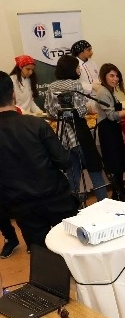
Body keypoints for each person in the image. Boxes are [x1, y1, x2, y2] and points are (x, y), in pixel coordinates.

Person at [0, 71, 80, 250]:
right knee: (74, 247)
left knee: (42, 257)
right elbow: (64, 161)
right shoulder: (36, 124)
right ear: (13, 94)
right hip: (55, 196)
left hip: (21, 205)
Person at [45, 55, 109, 200]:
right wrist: (86, 108)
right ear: (72, 69)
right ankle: (104, 203)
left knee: (72, 174)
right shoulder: (75, 85)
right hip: (79, 132)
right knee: (94, 169)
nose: (79, 69)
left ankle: (74, 207)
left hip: (63, 135)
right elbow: (80, 110)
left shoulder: (51, 87)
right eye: (77, 66)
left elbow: (49, 111)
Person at [94, 63, 125, 200]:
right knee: (114, 162)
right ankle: (117, 193)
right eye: (111, 75)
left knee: (119, 161)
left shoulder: (110, 90)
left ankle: (121, 189)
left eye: (117, 76)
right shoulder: (102, 92)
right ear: (104, 76)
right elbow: (111, 115)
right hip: (107, 131)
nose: (115, 79)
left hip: (114, 129)